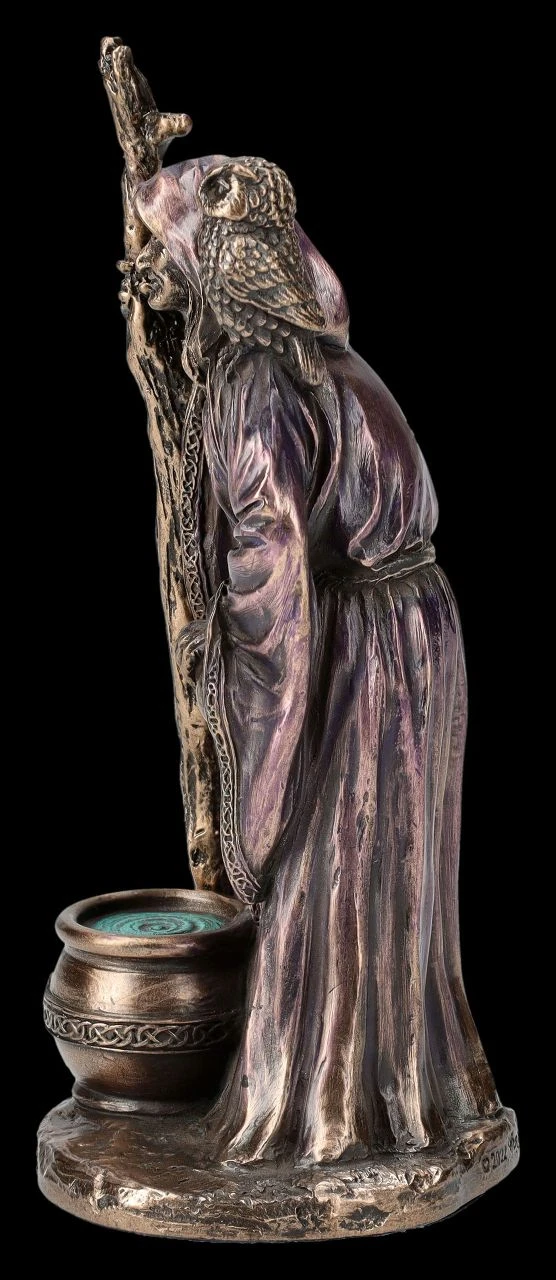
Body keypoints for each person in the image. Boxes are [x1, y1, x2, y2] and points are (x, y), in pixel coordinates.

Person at [133, 154, 500, 1165]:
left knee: (323, 859)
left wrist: (234, 682)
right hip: (412, 626)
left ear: (209, 263)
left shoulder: (257, 383)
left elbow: (271, 568)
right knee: (381, 867)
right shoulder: (317, 363)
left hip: (358, 649)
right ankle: (399, 1088)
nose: (146, 275)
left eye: (161, 252)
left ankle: (317, 1104)